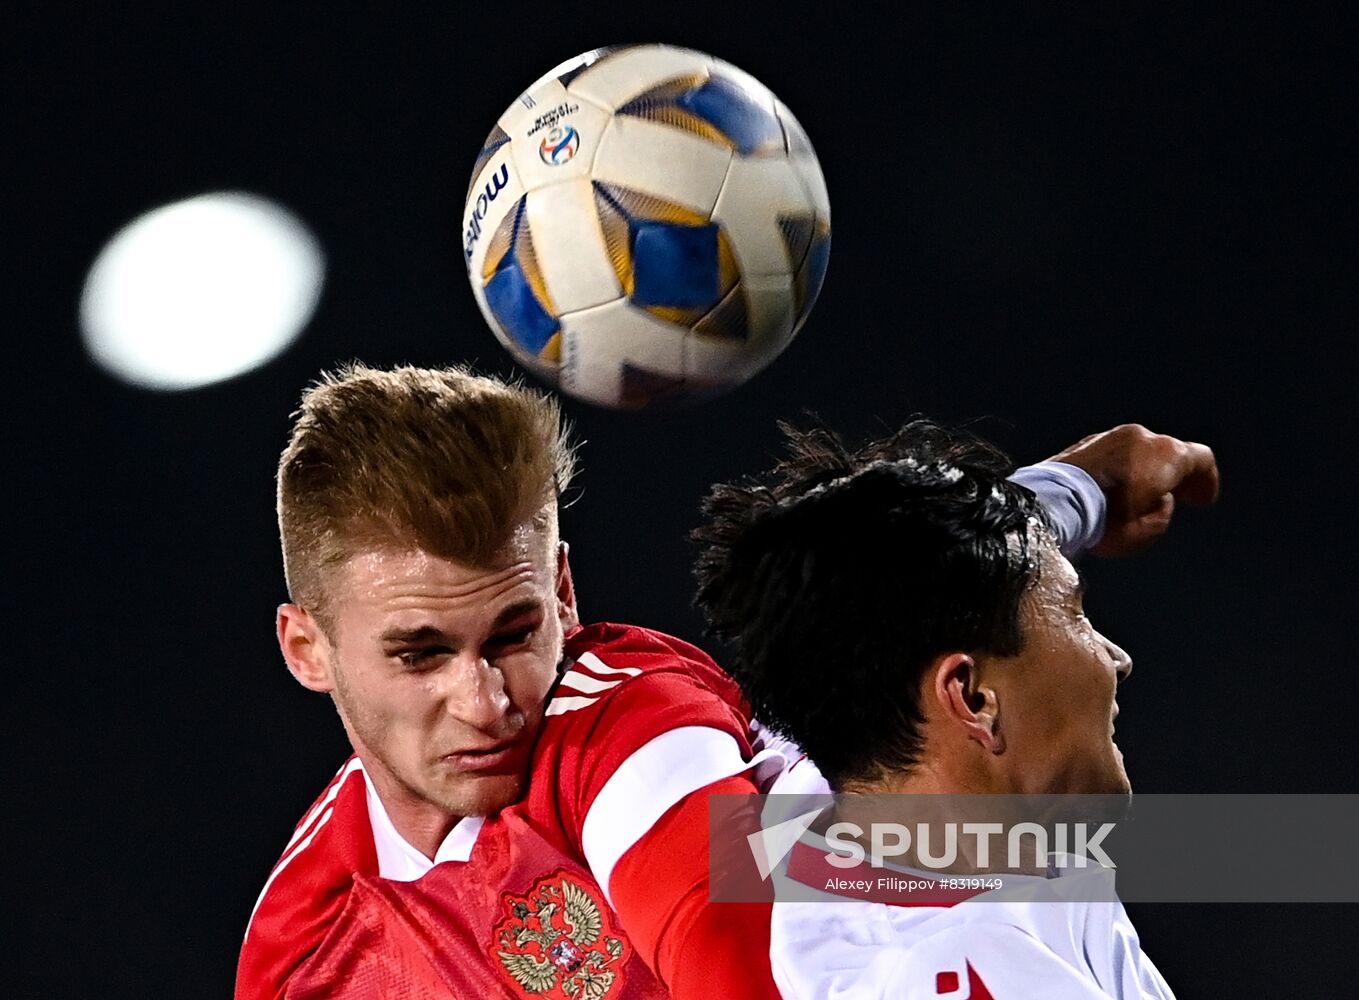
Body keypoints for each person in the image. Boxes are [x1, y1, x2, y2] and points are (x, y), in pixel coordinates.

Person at [237, 362, 1213, 999]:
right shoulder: (304, 944)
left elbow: (739, 965)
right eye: (420, 654)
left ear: (564, 591)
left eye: (513, 631)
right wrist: (1064, 494)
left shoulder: (620, 720)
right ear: (306, 649)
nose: (487, 699)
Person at [692, 419, 1217, 998]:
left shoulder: (841, 767)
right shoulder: (965, 969)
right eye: (1077, 615)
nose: (1114, 658)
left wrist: (1084, 485)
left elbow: (901, 578)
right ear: (971, 699)